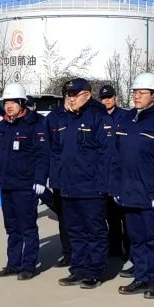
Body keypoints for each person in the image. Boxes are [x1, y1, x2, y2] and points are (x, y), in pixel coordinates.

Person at [111, 73, 154, 299]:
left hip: (153, 196)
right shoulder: (126, 120)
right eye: (134, 92)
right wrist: (116, 188)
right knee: (137, 239)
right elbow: (116, 157)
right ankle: (141, 277)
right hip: (131, 193)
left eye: (141, 93)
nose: (136, 96)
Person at [0, 83, 50, 281]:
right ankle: (13, 264)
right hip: (7, 186)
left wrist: (40, 180)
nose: (8, 105)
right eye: (6, 102)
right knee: (12, 228)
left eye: (12, 102)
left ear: (22, 103)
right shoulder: (2, 126)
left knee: (27, 227)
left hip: (26, 186)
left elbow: (42, 155)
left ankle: (28, 266)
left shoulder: (35, 124)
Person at [50, 79, 114, 289]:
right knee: (75, 231)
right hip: (69, 187)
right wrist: (57, 181)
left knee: (94, 231)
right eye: (69, 95)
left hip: (91, 188)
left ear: (87, 95)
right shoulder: (65, 119)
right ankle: (78, 268)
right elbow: (58, 153)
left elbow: (107, 154)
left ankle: (94, 272)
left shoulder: (98, 116)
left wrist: (103, 185)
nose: (71, 98)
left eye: (75, 95)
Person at [99, 83, 131, 264]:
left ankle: (130, 251)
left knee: (126, 217)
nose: (106, 101)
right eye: (103, 98)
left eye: (109, 97)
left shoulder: (125, 117)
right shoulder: (98, 118)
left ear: (115, 98)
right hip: (105, 174)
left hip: (122, 173)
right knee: (110, 216)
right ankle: (114, 249)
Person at [45, 89, 75, 267]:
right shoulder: (53, 117)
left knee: (79, 219)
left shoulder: (85, 115)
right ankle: (68, 253)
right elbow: (46, 147)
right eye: (69, 95)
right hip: (58, 176)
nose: (71, 99)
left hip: (79, 178)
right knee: (64, 218)